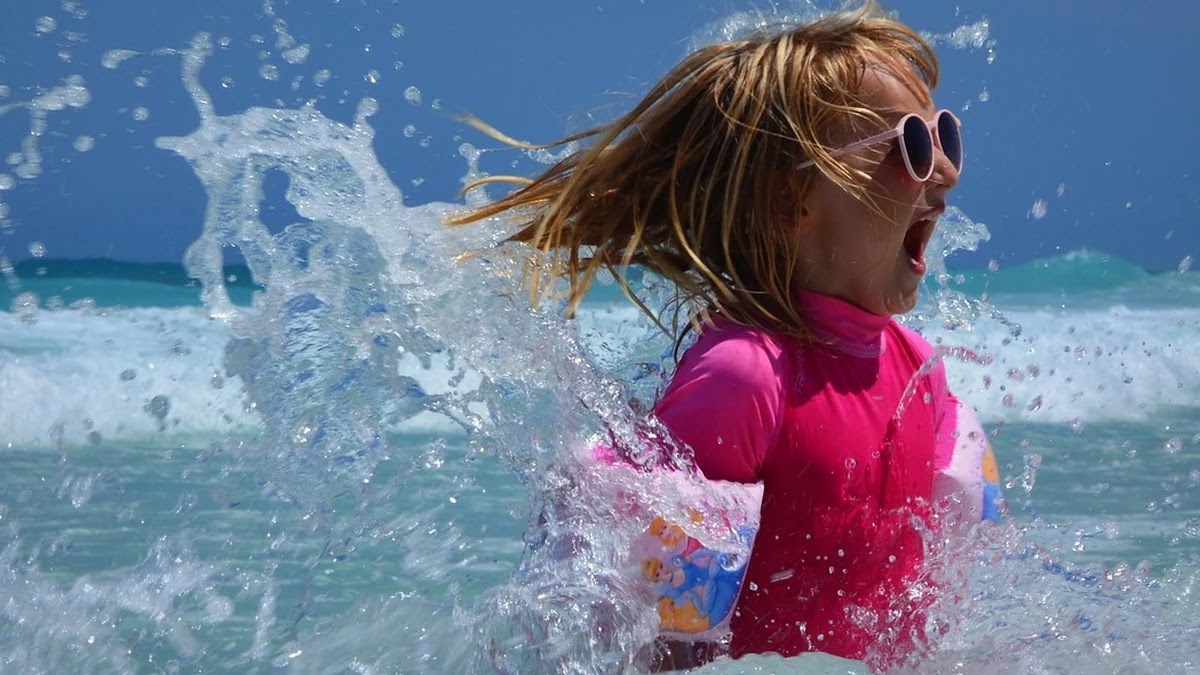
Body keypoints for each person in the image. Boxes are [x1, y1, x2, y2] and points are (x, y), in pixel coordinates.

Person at [449, 1, 1000, 669]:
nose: (944, 172)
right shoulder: (745, 379)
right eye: (908, 147)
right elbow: (655, 639)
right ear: (792, 200)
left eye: (944, 136)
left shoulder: (919, 372)